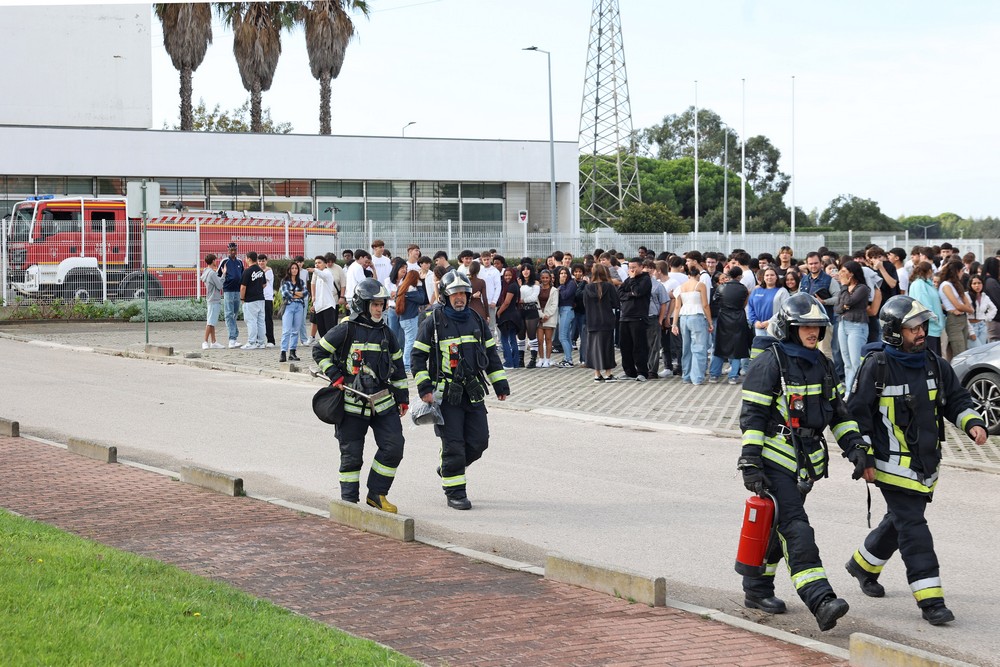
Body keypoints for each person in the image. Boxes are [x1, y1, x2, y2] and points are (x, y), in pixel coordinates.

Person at [845, 295, 988, 626]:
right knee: (914, 529)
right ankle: (930, 600)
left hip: (926, 465)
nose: (921, 332)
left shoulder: (935, 362)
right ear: (895, 332)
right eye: (913, 328)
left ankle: (862, 566)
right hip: (890, 466)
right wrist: (861, 456)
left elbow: (956, 399)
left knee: (898, 522)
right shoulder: (876, 365)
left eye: (922, 325)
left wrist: (973, 422)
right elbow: (857, 416)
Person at [738, 293, 865, 631]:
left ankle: (756, 589)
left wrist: (855, 447)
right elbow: (752, 416)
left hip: (805, 463)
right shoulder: (770, 362)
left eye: (817, 327)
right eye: (806, 326)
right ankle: (820, 599)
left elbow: (838, 413)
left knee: (777, 530)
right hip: (774, 461)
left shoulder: (821, 363)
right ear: (789, 328)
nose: (813, 332)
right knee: (796, 528)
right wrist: (750, 461)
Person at [411, 271, 509, 511]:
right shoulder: (433, 321)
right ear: (446, 296)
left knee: (479, 442)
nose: (459, 298)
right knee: (453, 445)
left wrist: (500, 384)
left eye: (463, 294)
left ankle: (447, 467)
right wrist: (425, 388)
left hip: (473, 392)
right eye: (454, 294)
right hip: (446, 396)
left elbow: (491, 353)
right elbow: (417, 356)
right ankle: (455, 492)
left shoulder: (475, 319)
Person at [313, 278, 409, 513]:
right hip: (351, 403)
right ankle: (349, 503)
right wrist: (335, 375)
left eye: (381, 304)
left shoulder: (387, 333)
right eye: (374, 304)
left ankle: (377, 494)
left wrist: (403, 397)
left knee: (394, 446)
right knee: (351, 456)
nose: (379, 308)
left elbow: (397, 367)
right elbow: (320, 350)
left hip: (383, 402)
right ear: (362, 305)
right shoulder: (347, 328)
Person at [671, 264, 712, 385]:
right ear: (698, 275)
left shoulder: (681, 287)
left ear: (688, 275)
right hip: (697, 316)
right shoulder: (700, 285)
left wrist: (674, 324)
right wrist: (710, 321)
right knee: (699, 348)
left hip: (683, 317)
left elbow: (677, 306)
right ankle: (697, 377)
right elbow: (705, 305)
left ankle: (686, 376)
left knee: (686, 348)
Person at [709, 266, 750, 384]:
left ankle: (714, 375)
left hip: (723, 318)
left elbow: (715, 300)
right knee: (737, 347)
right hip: (738, 318)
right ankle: (733, 376)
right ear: (740, 276)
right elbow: (744, 303)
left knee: (719, 346)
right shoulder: (744, 289)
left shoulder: (721, 287)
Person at [836, 260, 871, 393]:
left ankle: (858, 392)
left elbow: (848, 301)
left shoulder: (862, 288)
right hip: (843, 324)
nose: (840, 273)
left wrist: (844, 288)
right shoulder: (844, 288)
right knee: (847, 362)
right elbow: (838, 308)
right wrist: (845, 305)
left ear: (852, 273)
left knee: (856, 362)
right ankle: (848, 392)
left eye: (844, 271)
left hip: (857, 326)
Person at [584, 263, 620, 382]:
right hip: (606, 320)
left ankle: (596, 374)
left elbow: (585, 305)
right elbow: (616, 303)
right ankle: (608, 373)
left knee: (594, 348)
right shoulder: (609, 287)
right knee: (607, 347)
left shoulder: (587, 288)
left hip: (592, 321)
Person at [617, 258, 652, 381]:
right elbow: (620, 293)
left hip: (638, 317)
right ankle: (629, 371)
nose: (631, 270)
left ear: (641, 267)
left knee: (639, 346)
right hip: (625, 317)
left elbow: (638, 292)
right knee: (625, 346)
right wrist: (629, 294)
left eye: (634, 267)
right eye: (630, 267)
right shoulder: (627, 280)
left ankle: (642, 372)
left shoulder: (646, 280)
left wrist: (632, 282)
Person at [394, 268, 429, 374]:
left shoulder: (402, 287)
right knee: (410, 342)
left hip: (404, 319)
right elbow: (421, 298)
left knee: (408, 341)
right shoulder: (411, 290)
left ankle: (406, 364)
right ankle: (407, 365)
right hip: (410, 319)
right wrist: (420, 285)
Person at [938, 259, 973, 360]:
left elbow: (966, 302)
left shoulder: (956, 285)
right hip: (954, 319)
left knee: (965, 350)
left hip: (962, 318)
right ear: (957, 271)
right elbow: (957, 305)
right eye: (962, 271)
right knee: (959, 352)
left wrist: (967, 309)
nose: (963, 273)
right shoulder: (945, 285)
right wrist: (969, 310)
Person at [907, 261, 944, 355]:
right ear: (930, 271)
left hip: (933, 328)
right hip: (928, 328)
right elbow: (924, 304)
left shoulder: (926, 283)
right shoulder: (919, 284)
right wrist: (934, 318)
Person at [278, 261, 306, 362]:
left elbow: (305, 293)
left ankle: (292, 352)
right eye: (292, 268)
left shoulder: (301, 281)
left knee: (295, 330)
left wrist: (293, 292)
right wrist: (297, 293)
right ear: (289, 270)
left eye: (296, 268)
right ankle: (283, 352)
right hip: (289, 305)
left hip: (299, 306)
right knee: (286, 330)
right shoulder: (285, 281)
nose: (294, 270)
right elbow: (286, 294)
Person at [219, 242, 244, 348]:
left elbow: (242, 275)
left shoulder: (240, 262)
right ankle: (231, 339)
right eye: (231, 250)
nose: (233, 252)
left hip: (237, 291)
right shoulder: (225, 261)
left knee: (234, 314)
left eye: (235, 250)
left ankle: (234, 336)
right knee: (229, 314)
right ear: (228, 251)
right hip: (228, 290)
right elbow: (218, 275)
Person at [239, 251, 266, 349]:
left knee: (251, 321)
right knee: (260, 321)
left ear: (249, 259)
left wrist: (242, 298)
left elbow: (243, 287)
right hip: (261, 299)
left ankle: (251, 342)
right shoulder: (261, 271)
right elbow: (264, 284)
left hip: (250, 300)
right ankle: (261, 342)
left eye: (246, 258)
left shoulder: (247, 271)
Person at [496, 266, 522, 369]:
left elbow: (507, 302)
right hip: (513, 315)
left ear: (513, 275)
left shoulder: (511, 286)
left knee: (505, 339)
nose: (507, 277)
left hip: (508, 316)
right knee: (512, 339)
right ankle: (515, 363)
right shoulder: (515, 285)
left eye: (509, 275)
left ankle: (508, 362)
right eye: (506, 275)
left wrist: (498, 312)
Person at [200, 254, 225, 349]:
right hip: (214, 299)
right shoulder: (212, 273)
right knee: (210, 322)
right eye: (215, 260)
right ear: (213, 261)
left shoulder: (206, 271)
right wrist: (224, 275)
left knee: (212, 321)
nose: (216, 262)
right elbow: (219, 285)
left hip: (210, 298)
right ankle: (205, 341)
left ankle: (213, 341)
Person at [518, 264, 541, 368]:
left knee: (531, 335)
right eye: (523, 269)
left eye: (528, 269)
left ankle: (533, 359)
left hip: (531, 310)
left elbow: (533, 297)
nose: (525, 271)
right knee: (520, 335)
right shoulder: (519, 282)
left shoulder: (535, 283)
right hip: (520, 310)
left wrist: (522, 300)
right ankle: (520, 359)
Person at [555, 266, 577, 368]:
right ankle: (567, 357)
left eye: (565, 273)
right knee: (566, 336)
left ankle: (569, 360)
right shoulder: (561, 284)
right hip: (562, 310)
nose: (563, 275)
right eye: (561, 273)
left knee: (562, 336)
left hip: (567, 310)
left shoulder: (571, 284)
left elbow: (565, 296)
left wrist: (562, 285)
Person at [748, 267, 781, 337]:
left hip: (775, 327)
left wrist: (770, 322)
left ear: (776, 277)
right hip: (759, 326)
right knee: (760, 347)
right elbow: (750, 307)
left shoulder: (782, 291)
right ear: (764, 277)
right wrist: (755, 321)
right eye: (767, 275)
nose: (769, 277)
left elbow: (784, 310)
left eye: (772, 275)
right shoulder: (756, 290)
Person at [537, 269, 559, 367]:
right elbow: (535, 302)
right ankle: (541, 359)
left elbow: (554, 304)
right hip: (539, 316)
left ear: (550, 278)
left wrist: (547, 315)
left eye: (547, 277)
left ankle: (548, 359)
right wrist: (541, 315)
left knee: (548, 339)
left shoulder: (554, 290)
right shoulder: (537, 289)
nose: (545, 279)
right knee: (540, 340)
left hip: (549, 316)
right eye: (543, 278)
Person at [967, 274, 996, 348]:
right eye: (974, 283)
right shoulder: (966, 296)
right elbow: (964, 316)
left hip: (982, 325)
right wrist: (971, 332)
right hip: (970, 326)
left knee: (982, 350)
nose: (977, 285)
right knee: (975, 351)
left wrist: (986, 318)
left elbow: (994, 309)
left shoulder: (984, 296)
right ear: (970, 285)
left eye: (979, 283)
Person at [258, 254, 276, 348]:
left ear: (266, 261)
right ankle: (259, 340)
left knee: (268, 319)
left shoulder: (269, 271)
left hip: (267, 298)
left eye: (263, 261)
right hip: (258, 298)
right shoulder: (258, 271)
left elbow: (262, 283)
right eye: (259, 261)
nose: (261, 263)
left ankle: (271, 340)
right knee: (259, 320)